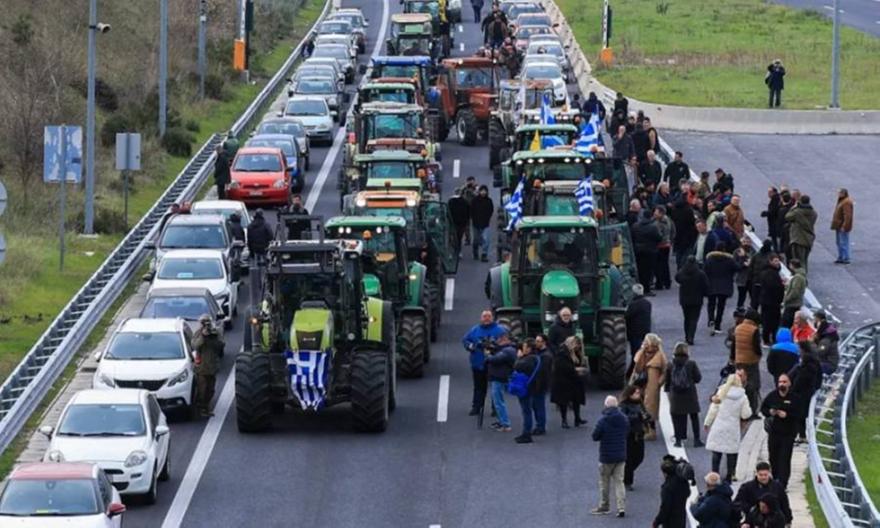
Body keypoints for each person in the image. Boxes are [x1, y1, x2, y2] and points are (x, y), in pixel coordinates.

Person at [704, 370, 752, 482]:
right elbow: (746, 414)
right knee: (731, 453)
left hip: (719, 425)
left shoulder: (721, 393)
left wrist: (707, 423)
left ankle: (714, 474)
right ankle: (730, 476)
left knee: (717, 451)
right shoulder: (742, 396)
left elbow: (713, 409)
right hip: (733, 427)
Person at [462, 310, 507, 416]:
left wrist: (494, 347)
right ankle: (477, 407)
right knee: (478, 387)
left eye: (489, 316)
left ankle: (495, 408)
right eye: (484, 316)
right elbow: (465, 340)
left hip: (494, 364)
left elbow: (506, 344)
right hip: (478, 364)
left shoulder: (500, 330)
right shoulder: (474, 330)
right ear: (481, 318)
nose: (486, 318)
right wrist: (473, 346)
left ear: (492, 318)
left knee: (495, 388)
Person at [591, 395, 629, 517]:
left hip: (606, 456)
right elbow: (627, 431)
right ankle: (621, 507)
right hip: (620, 455)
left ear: (606, 405)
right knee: (619, 482)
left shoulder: (603, 420)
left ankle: (604, 506)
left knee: (604, 482)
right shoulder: (624, 418)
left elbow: (595, 436)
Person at [761, 374, 798, 489]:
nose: (782, 384)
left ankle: (783, 483)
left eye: (784, 382)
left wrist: (787, 415)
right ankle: (775, 478)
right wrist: (770, 412)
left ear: (789, 383)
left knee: (784, 458)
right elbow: (763, 408)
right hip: (774, 432)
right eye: (780, 382)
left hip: (788, 433)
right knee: (773, 457)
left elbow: (800, 413)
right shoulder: (772, 396)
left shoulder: (794, 398)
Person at [512, 338, 550, 443]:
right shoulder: (536, 358)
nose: (522, 349)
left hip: (526, 388)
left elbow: (517, 366)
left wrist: (519, 358)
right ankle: (530, 431)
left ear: (528, 349)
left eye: (523, 347)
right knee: (530, 409)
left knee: (526, 411)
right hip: (531, 387)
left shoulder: (529, 359)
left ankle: (526, 434)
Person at [666, 342, 703, 447]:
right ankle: (697, 440)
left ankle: (678, 440)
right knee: (694, 416)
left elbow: (667, 380)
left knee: (677, 417)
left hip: (676, 395)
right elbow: (698, 378)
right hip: (690, 394)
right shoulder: (691, 363)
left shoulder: (670, 364)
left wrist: (668, 389)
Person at [630, 333, 667, 441]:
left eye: (646, 342)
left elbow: (665, 370)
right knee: (639, 405)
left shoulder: (660, 355)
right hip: (640, 383)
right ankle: (644, 428)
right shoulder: (643, 353)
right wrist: (642, 351)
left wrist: (659, 382)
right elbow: (637, 364)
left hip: (652, 385)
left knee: (650, 408)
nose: (644, 343)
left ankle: (651, 431)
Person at [192, 314, 225, 417]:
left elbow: (221, 345)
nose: (206, 325)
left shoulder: (215, 332)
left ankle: (206, 407)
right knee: (202, 389)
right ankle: (201, 409)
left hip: (212, 366)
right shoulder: (198, 333)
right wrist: (203, 336)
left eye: (207, 322)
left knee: (210, 390)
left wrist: (212, 337)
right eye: (204, 322)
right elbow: (195, 345)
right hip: (201, 367)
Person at [704, 242, 740, 335]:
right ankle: (717, 325)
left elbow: (705, 271)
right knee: (721, 306)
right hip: (725, 286)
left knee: (711, 304)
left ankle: (711, 318)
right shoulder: (729, 260)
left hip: (712, 284)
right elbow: (737, 268)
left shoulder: (710, 259)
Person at [551, 336, 587, 428]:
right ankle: (564, 420)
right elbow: (562, 367)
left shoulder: (576, 352)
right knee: (564, 402)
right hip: (563, 381)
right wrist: (576, 370)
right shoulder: (562, 353)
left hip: (574, 380)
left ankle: (577, 418)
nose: (578, 347)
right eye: (577, 345)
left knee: (576, 400)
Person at [789, 341, 822, 441]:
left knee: (799, 415)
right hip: (808, 391)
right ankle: (802, 435)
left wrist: (792, 390)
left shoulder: (806, 364)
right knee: (802, 415)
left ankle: (802, 435)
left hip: (802, 393)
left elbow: (800, 380)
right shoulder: (813, 362)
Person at [619, 385, 650, 491]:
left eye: (638, 392)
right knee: (629, 459)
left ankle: (624, 474)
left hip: (639, 434)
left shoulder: (640, 404)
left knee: (639, 457)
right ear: (630, 394)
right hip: (629, 435)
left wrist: (647, 417)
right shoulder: (624, 405)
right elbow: (623, 418)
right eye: (636, 393)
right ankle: (627, 481)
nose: (638, 394)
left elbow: (645, 415)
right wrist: (636, 416)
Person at [732, 309, 763, 415]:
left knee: (740, 384)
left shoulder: (738, 328)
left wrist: (732, 358)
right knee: (753, 385)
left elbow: (733, 345)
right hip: (751, 360)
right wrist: (759, 355)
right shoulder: (754, 330)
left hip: (739, 360)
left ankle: (739, 409)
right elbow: (756, 347)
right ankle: (752, 410)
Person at [484, 332, 516, 432]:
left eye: (499, 339)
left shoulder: (508, 351)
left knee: (499, 402)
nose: (497, 341)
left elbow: (495, 359)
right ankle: (501, 421)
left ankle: (505, 424)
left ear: (505, 339)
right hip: (497, 377)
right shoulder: (504, 349)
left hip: (499, 378)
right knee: (497, 401)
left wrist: (488, 355)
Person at [675, 256, 708, 345]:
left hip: (684, 299)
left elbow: (677, 278)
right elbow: (705, 286)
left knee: (687, 318)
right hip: (697, 299)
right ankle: (691, 336)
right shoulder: (700, 274)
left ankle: (686, 336)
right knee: (694, 319)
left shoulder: (682, 272)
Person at [653, 456, 692, 528]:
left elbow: (665, 507)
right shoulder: (683, 482)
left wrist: (657, 521)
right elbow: (688, 493)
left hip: (670, 522)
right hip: (681, 518)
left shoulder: (667, 488)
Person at [632, 210, 662, 296]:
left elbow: (632, 237)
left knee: (640, 270)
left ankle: (640, 289)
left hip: (638, 251)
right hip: (650, 251)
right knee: (648, 271)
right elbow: (659, 238)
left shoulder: (635, 226)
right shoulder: (653, 227)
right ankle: (647, 289)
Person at [785, 195, 817, 273]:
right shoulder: (813, 213)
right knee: (804, 260)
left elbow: (787, 217)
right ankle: (804, 274)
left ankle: (800, 277)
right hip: (808, 238)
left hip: (798, 239)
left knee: (797, 260)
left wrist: (794, 207)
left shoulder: (797, 212)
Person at [625, 284, 652, 373]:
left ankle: (634, 371)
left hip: (635, 332)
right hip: (645, 330)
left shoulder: (634, 305)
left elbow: (627, 316)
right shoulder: (648, 304)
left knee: (636, 352)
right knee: (642, 351)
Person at [758, 255, 784, 345]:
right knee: (769, 321)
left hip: (771, 301)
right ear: (770, 261)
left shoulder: (771, 272)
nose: (778, 263)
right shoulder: (769, 273)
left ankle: (771, 338)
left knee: (773, 321)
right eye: (776, 261)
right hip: (770, 301)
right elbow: (772, 286)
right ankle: (767, 339)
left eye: (778, 261)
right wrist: (782, 285)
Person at [653, 205, 675, 290]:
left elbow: (657, 235)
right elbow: (673, 230)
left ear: (661, 213)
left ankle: (660, 283)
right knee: (665, 265)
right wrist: (670, 240)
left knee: (659, 265)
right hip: (667, 244)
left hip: (660, 245)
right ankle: (667, 282)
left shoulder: (659, 223)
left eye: (656, 212)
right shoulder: (669, 220)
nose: (654, 213)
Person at [470, 185, 493, 262]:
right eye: (482, 191)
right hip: (476, 223)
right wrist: (473, 219)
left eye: (485, 191)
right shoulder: (475, 200)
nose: (483, 192)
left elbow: (491, 210)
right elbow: (471, 210)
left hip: (485, 223)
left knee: (486, 239)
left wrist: (487, 218)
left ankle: (484, 254)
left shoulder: (489, 201)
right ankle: (475, 251)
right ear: (479, 191)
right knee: (476, 239)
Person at [781, 258, 807, 328]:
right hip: (795, 303)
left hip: (792, 304)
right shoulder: (800, 275)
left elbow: (795, 291)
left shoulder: (797, 277)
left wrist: (786, 299)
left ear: (792, 266)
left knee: (786, 324)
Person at [831, 188, 853, 264]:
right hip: (839, 225)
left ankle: (846, 257)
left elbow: (847, 216)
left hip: (841, 226)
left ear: (843, 194)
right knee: (839, 242)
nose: (838, 194)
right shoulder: (842, 201)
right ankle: (841, 257)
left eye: (839, 193)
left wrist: (844, 226)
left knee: (843, 242)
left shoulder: (846, 202)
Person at [813, 310, 839, 374]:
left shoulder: (827, 338)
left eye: (816, 320)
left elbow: (820, 352)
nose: (815, 322)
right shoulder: (825, 335)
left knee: (810, 367)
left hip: (829, 365)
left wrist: (810, 346)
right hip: (825, 362)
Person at [448, 188, 470, 254]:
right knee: (459, 238)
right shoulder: (465, 202)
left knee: (452, 237)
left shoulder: (451, 201)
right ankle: (458, 251)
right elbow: (468, 212)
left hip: (453, 222)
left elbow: (448, 212)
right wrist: (466, 221)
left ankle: (453, 251)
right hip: (462, 224)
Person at [733, 237, 754, 309]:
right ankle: (740, 307)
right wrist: (743, 262)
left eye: (748, 242)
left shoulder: (753, 251)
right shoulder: (737, 252)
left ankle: (752, 307)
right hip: (741, 278)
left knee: (753, 294)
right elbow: (735, 265)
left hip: (751, 277)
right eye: (744, 242)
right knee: (742, 294)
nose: (746, 244)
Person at [761, 187, 781, 251]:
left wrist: (765, 213)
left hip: (774, 224)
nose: (768, 194)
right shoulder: (776, 198)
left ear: (774, 192)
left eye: (770, 192)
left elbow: (773, 211)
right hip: (775, 223)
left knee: (775, 239)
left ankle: (777, 252)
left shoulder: (775, 200)